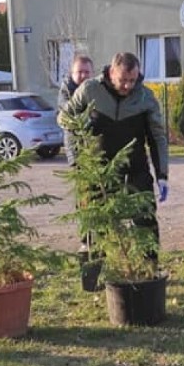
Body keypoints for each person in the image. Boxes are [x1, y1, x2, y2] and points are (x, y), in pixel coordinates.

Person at [60, 52, 169, 248]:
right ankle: (95, 271)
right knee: (96, 225)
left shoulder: (145, 97)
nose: (128, 86)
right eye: (123, 80)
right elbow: (64, 117)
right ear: (111, 72)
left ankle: (148, 270)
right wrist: (80, 140)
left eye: (132, 80)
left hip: (135, 169)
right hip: (99, 173)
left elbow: (157, 137)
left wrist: (162, 174)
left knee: (144, 218)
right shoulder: (90, 90)